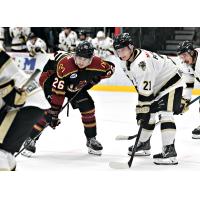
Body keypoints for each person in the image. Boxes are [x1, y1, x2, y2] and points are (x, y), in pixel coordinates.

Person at [21, 41, 115, 157]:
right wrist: (55, 112)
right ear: (75, 55)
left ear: (91, 59)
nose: (81, 62)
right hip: (51, 80)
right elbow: (58, 92)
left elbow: (110, 70)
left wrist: (93, 80)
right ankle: (30, 139)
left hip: (73, 84)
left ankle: (91, 139)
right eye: (79, 58)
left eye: (85, 59)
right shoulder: (66, 65)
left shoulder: (97, 63)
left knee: (88, 107)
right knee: (49, 111)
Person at [113, 33, 185, 165]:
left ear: (130, 47)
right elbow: (140, 87)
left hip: (171, 82)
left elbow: (145, 93)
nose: (120, 53)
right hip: (156, 85)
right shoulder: (125, 62)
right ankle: (144, 144)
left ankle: (169, 151)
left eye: (123, 49)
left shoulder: (142, 63)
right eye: (117, 50)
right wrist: (142, 110)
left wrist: (142, 109)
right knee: (149, 114)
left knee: (165, 114)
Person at [0, 49, 50, 171]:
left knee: (2, 152)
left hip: (28, 102)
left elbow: (8, 85)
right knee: (4, 152)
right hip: (20, 101)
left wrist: (11, 93)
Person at [177, 40, 200, 139]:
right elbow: (189, 85)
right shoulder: (185, 65)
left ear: (191, 52)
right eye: (181, 56)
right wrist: (184, 101)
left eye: (185, 55)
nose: (183, 59)